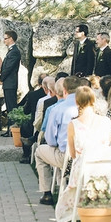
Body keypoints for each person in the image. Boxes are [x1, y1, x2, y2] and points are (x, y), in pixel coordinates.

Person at [54, 86, 111, 222]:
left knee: (78, 165)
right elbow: (107, 146)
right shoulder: (106, 121)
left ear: (76, 101)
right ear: (93, 100)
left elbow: (73, 153)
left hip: (85, 168)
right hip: (105, 167)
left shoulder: (73, 124)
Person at [35, 76, 81, 205]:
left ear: (64, 91)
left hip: (66, 157)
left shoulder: (57, 109)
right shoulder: (86, 107)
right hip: (85, 156)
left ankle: (47, 193)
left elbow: (50, 140)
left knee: (39, 152)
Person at [0, 30, 21, 116]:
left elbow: (9, 68)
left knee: (11, 108)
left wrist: (1, 78)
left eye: (5, 38)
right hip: (8, 83)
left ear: (11, 39)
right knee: (9, 107)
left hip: (10, 83)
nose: (4, 40)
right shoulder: (11, 51)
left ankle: (13, 127)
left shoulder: (14, 51)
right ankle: (11, 128)